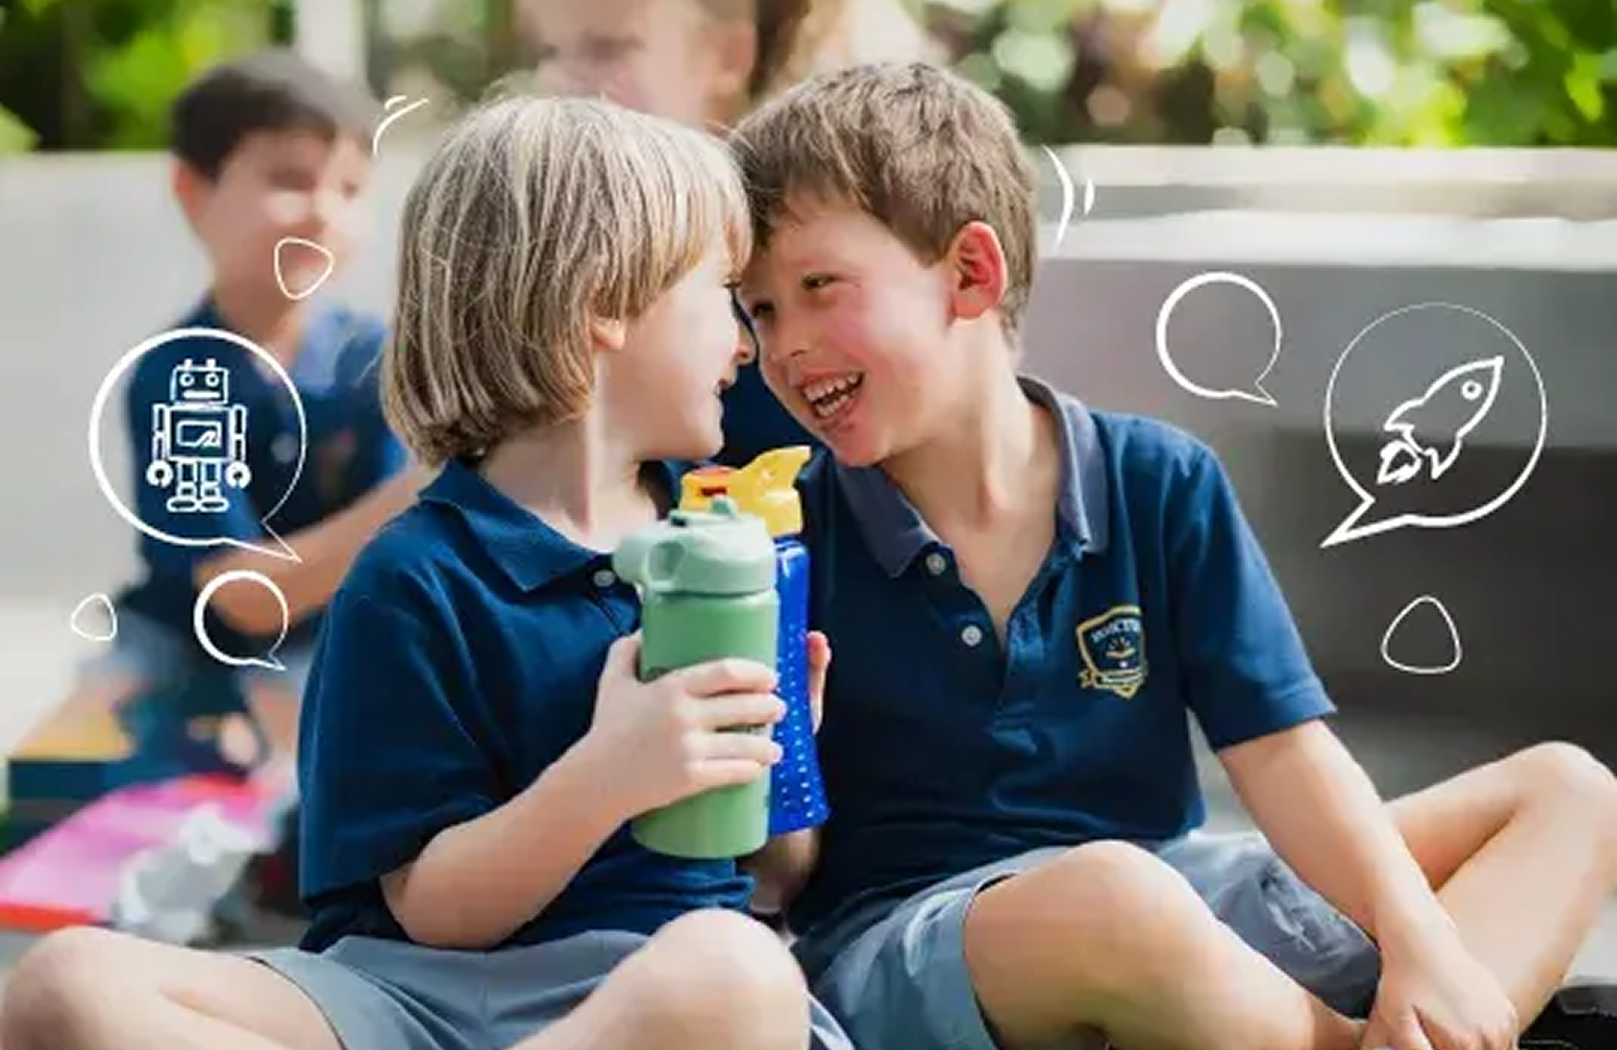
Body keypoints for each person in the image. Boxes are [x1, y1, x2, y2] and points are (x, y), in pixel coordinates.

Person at [728, 61, 1617, 1050]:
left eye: (818, 288)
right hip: (918, 943)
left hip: (1175, 901)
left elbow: (1282, 754)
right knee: (1117, 897)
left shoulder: (1159, 481)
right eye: (761, 310)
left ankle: (1411, 1026)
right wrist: (773, 762)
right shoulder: (780, 540)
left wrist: (1422, 944)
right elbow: (781, 876)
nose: (786, 346)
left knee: (1571, 792)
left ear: (970, 275)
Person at [1, 95, 854, 1050]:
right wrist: (611, 772)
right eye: (721, 291)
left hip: (642, 983)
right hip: (411, 997)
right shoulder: (414, 579)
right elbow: (434, 914)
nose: (746, 338)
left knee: (739, 971)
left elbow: (775, 878)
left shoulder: (726, 534)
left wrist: (785, 756)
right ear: (607, 301)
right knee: (63, 987)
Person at [87, 49, 420, 783]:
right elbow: (241, 599)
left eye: (350, 188)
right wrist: (416, 494)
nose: (324, 211)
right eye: (289, 181)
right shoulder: (181, 376)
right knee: (84, 742)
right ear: (192, 190)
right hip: (183, 646)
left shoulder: (379, 357)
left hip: (329, 642)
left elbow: (400, 565)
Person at [518, 0, 928, 468]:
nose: (556, 83)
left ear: (727, 57)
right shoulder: (558, 256)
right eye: (549, 53)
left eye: (607, 50)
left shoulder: (793, 247)